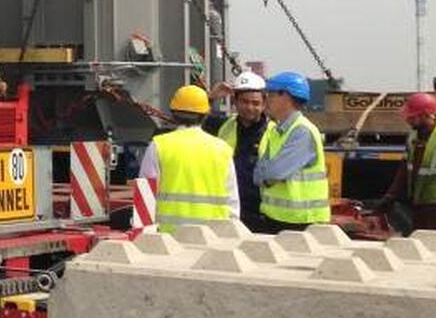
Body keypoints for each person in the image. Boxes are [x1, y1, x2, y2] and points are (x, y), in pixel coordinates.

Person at [140, 84, 238, 233]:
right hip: (214, 238)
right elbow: (232, 203)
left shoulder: (159, 146)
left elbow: (145, 197)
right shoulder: (222, 149)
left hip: (168, 239)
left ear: (173, 113)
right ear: (206, 114)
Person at [251, 70, 330, 232]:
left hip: (302, 222)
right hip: (278, 219)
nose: (267, 101)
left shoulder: (302, 132)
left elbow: (273, 172)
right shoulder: (276, 131)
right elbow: (258, 175)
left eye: (271, 95)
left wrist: (267, 175)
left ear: (285, 96)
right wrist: (267, 176)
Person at [207, 69, 271, 230]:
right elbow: (194, 119)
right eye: (244, 101)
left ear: (264, 104)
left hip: (261, 214)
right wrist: (210, 98)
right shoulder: (223, 126)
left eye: (255, 103)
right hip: (228, 210)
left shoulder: (274, 132)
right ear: (235, 102)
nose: (249, 107)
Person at [382, 92, 436, 232]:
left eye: (412, 117)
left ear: (427, 115)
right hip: (420, 203)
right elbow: (405, 167)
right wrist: (390, 195)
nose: (407, 120)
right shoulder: (414, 135)